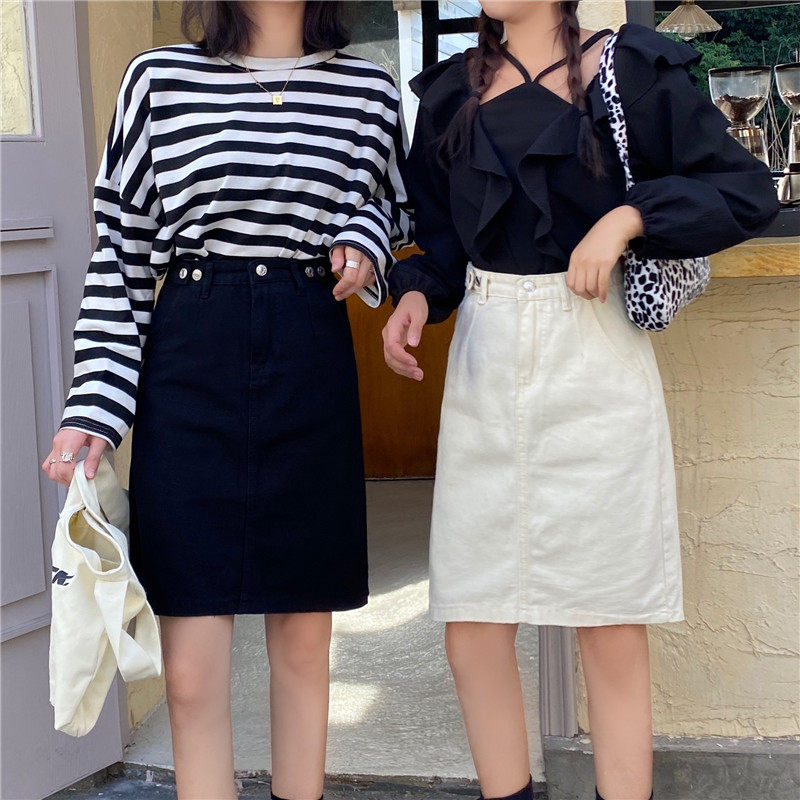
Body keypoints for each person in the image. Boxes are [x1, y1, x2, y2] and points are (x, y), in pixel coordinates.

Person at [383, 3, 779, 800]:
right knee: (474, 624)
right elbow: (443, 240)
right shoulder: (451, 93)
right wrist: (417, 296)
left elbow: (744, 191)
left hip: (595, 356)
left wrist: (629, 218)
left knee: (609, 622)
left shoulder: (631, 71)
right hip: (486, 361)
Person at [43, 2, 410, 799]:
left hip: (309, 355)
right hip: (191, 358)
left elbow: (396, 207)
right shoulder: (158, 79)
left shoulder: (369, 89)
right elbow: (123, 253)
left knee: (305, 649)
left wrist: (364, 239)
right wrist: (94, 406)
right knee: (189, 673)